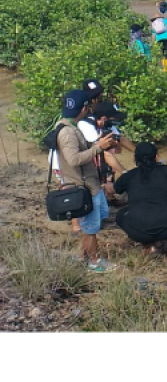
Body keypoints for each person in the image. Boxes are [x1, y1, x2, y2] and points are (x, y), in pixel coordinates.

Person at [55, 90, 117, 273]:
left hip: (90, 184)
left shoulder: (69, 126)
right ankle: (95, 262)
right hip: (83, 187)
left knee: (92, 225)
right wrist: (98, 148)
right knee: (90, 229)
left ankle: (82, 257)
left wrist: (97, 145)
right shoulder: (67, 132)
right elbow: (73, 159)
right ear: (83, 109)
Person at [114, 143, 167, 257]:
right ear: (156, 157)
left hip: (140, 233)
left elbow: (115, 189)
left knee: (120, 214)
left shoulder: (129, 176)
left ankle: (148, 246)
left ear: (135, 159)